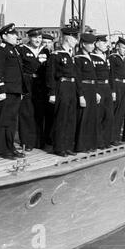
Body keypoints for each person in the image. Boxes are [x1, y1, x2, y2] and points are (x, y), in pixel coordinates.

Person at [0, 23, 25, 159]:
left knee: (11, 121)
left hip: (15, 90)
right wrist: (1, 89)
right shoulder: (0, 49)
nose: (16, 36)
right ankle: (2, 150)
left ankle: (10, 147)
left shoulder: (13, 50)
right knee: (4, 121)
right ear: (4, 36)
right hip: (7, 91)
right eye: (13, 34)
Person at [46, 26, 80, 157]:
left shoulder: (71, 55)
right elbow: (50, 75)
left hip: (71, 87)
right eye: (74, 38)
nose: (76, 41)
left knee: (71, 118)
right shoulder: (57, 55)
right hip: (62, 86)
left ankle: (67, 146)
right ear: (67, 38)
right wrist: (52, 93)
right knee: (62, 117)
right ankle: (59, 147)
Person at [17, 27, 49, 150]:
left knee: (39, 113)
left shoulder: (45, 51)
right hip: (27, 82)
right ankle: (26, 142)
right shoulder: (22, 50)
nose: (37, 40)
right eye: (35, 37)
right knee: (26, 113)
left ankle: (38, 141)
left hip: (40, 84)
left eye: (40, 37)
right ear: (29, 38)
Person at [74, 33, 99, 153]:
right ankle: (81, 146)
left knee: (91, 118)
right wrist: (81, 95)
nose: (93, 46)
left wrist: (96, 92)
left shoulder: (90, 58)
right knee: (83, 118)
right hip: (84, 88)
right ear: (83, 44)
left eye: (94, 44)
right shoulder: (79, 58)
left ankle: (89, 144)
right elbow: (78, 78)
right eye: (90, 44)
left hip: (92, 89)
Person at [91, 34, 114, 149]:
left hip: (107, 87)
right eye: (104, 43)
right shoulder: (92, 57)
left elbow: (110, 75)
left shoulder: (106, 57)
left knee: (108, 115)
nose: (106, 45)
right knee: (98, 116)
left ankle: (106, 141)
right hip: (98, 87)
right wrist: (95, 91)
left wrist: (112, 90)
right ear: (96, 43)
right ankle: (98, 142)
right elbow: (92, 75)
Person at [108, 37, 125, 144]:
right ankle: (111, 138)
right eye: (123, 48)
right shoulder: (113, 58)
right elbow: (111, 74)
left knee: (120, 113)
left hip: (122, 85)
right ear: (117, 47)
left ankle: (116, 137)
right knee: (115, 113)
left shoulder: (121, 59)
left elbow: (124, 76)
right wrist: (113, 91)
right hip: (116, 85)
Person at [40, 33, 55, 145]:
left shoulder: (54, 55)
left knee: (51, 114)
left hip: (51, 88)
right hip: (40, 87)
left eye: (49, 43)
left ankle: (48, 136)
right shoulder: (39, 54)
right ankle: (40, 138)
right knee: (40, 114)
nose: (46, 45)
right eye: (44, 42)